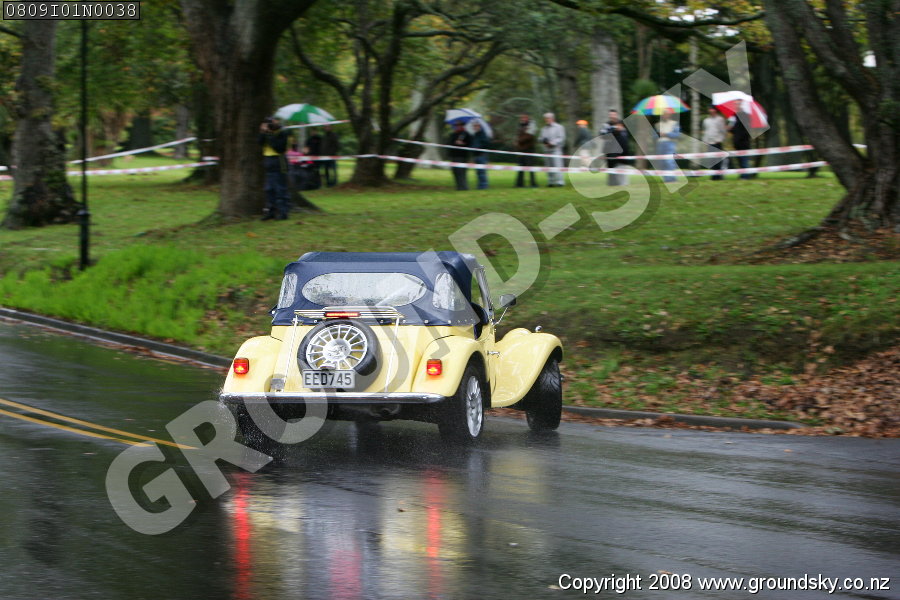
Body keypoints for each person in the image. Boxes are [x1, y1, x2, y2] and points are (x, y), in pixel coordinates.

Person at [259, 116, 289, 220]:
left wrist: (270, 134)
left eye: (272, 123)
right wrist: (263, 132)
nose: (270, 125)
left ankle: (283, 212)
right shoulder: (266, 132)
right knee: (269, 189)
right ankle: (270, 211)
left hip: (279, 161)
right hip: (268, 161)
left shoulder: (282, 132)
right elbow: (259, 142)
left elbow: (279, 148)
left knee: (280, 188)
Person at [598, 109, 630, 186]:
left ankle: (623, 183)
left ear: (616, 115)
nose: (612, 116)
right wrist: (615, 131)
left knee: (622, 166)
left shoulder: (621, 123)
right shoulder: (606, 125)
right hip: (610, 150)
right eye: (611, 115)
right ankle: (612, 183)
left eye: (614, 114)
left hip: (622, 150)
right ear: (609, 115)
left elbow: (626, 136)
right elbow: (602, 135)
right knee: (611, 167)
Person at [540, 112, 566, 187]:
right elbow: (540, 138)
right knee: (548, 166)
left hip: (556, 150)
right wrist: (543, 141)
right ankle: (550, 182)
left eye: (548, 118)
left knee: (558, 165)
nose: (546, 120)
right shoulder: (544, 128)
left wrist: (552, 143)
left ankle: (560, 182)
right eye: (545, 118)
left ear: (552, 118)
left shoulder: (559, 127)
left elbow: (561, 138)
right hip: (547, 150)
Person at [702, 107, 728, 180]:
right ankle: (713, 176)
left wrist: (720, 139)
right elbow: (705, 131)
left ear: (715, 111)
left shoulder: (720, 119)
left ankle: (719, 176)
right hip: (709, 142)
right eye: (710, 109)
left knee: (718, 160)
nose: (711, 111)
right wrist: (705, 140)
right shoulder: (706, 120)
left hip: (717, 142)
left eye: (713, 109)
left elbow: (723, 131)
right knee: (712, 160)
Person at [656, 108, 680, 183]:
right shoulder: (658, 125)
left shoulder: (674, 123)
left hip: (670, 144)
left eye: (667, 114)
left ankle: (672, 178)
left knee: (669, 161)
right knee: (662, 162)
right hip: (660, 144)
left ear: (670, 115)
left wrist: (666, 134)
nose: (665, 115)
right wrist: (659, 134)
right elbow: (654, 136)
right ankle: (666, 179)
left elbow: (676, 134)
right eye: (664, 114)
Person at [446, 122, 472, 190]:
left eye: (460, 125)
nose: (458, 127)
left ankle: (464, 186)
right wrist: (454, 143)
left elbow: (470, 144)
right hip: (454, 155)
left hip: (462, 156)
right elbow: (449, 143)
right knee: (455, 171)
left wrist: (463, 144)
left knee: (461, 172)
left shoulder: (466, 134)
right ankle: (458, 186)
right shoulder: (453, 134)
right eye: (457, 125)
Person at [514, 114, 537, 188]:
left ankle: (533, 184)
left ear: (528, 118)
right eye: (521, 117)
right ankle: (519, 184)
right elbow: (518, 135)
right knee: (520, 167)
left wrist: (518, 140)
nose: (523, 119)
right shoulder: (520, 126)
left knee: (530, 167)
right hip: (521, 149)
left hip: (529, 149)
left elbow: (529, 136)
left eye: (524, 117)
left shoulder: (532, 125)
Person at [728, 112, 752, 180]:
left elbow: (742, 133)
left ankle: (745, 176)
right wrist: (730, 129)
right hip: (738, 145)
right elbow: (735, 131)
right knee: (741, 161)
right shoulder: (738, 122)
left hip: (743, 145)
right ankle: (743, 175)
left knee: (744, 161)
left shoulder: (743, 123)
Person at [470, 121, 491, 190]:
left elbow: (486, 144)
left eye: (476, 126)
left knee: (482, 171)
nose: (475, 127)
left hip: (482, 155)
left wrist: (478, 147)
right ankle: (480, 185)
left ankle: (484, 186)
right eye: (474, 126)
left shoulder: (483, 134)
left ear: (479, 126)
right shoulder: (475, 135)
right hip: (476, 155)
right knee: (478, 172)